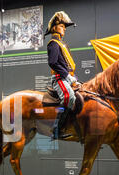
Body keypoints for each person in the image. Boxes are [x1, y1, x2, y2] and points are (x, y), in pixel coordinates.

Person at [45, 11, 78, 139]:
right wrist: (66, 75)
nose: (64, 29)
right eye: (61, 26)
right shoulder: (53, 43)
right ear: (55, 28)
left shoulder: (62, 44)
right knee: (69, 97)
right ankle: (57, 129)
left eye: (64, 27)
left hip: (67, 78)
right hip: (59, 78)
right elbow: (52, 62)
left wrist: (73, 78)